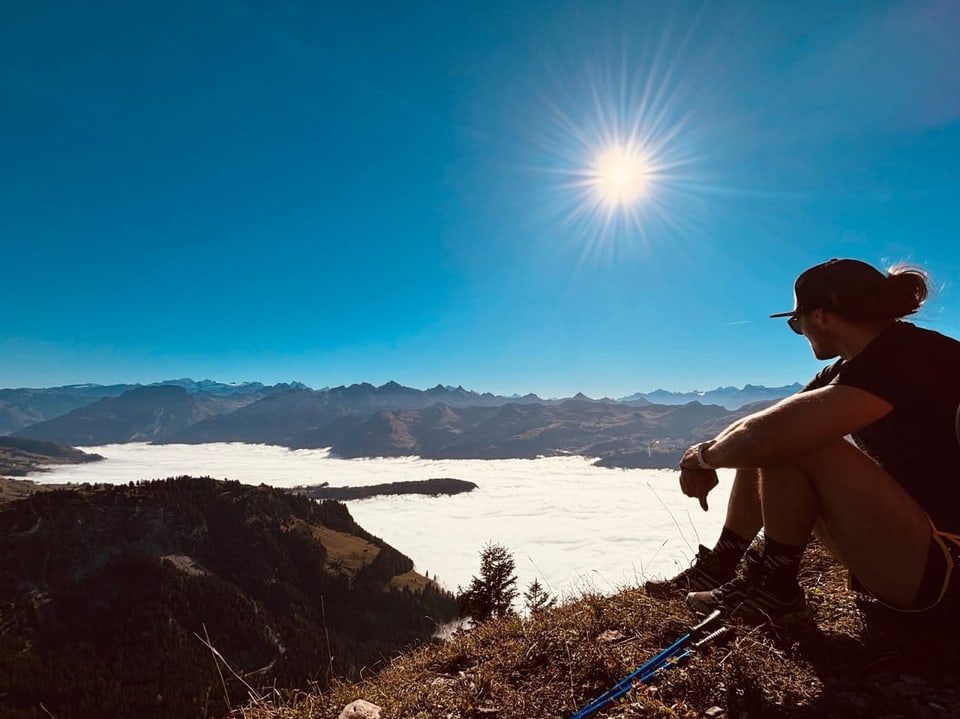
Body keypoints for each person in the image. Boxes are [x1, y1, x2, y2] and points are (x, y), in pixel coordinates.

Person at [645, 258, 960, 625]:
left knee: (796, 440)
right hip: (928, 561)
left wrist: (702, 458)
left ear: (821, 316)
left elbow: (778, 431)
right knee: (777, 436)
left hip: (947, 572)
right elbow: (766, 425)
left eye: (798, 323)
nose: (801, 331)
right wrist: (703, 456)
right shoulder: (860, 362)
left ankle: (775, 592)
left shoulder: (901, 356)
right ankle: (722, 566)